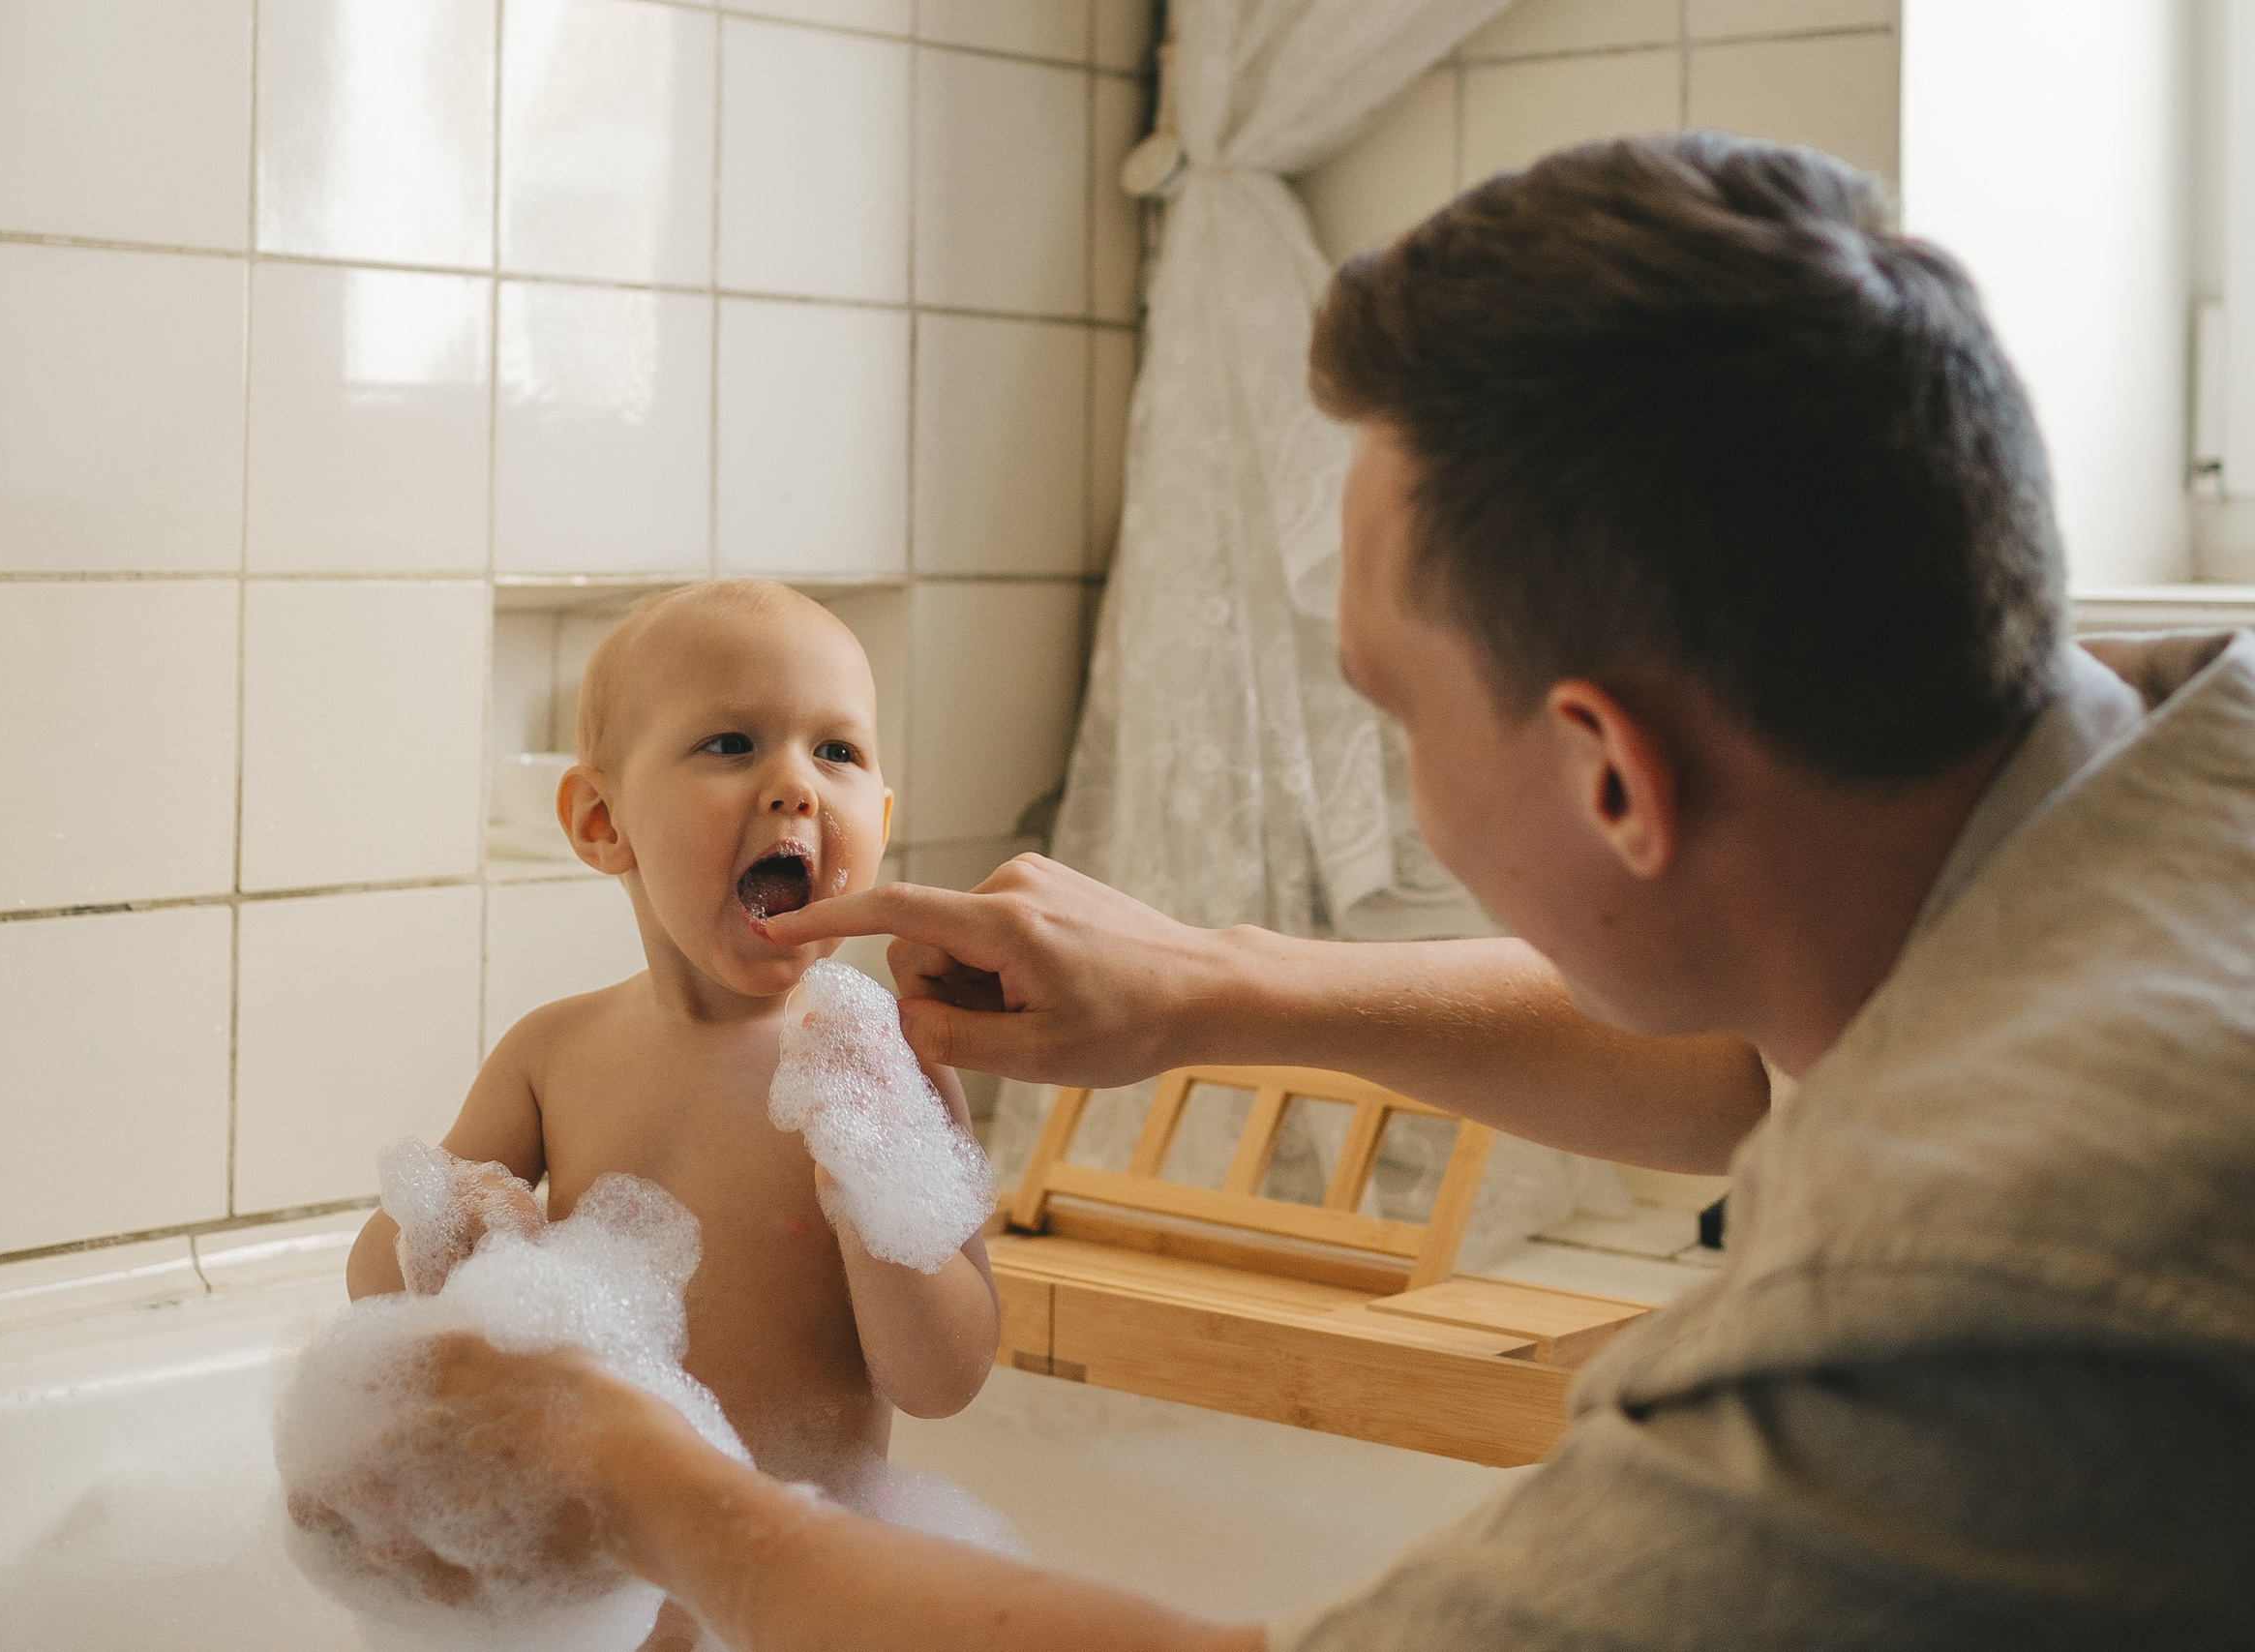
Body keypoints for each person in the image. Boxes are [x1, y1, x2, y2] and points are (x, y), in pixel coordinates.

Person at [329, 133, 2255, 1648]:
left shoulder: (1972, 1301)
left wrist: (645, 1484)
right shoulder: (2182, 763)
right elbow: (1760, 1054)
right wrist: (1223, 986)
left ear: (1606, 772)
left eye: (1387, 708)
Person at [339, 579, 1002, 1648]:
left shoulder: (881, 1071)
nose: (795, 785)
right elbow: (378, 1279)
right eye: (733, 743)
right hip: (596, 1599)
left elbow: (942, 1380)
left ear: (878, 822)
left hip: (798, 1598)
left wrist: (874, 1196)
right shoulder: (553, 1053)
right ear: (604, 824)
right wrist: (458, 1230)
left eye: (837, 752)